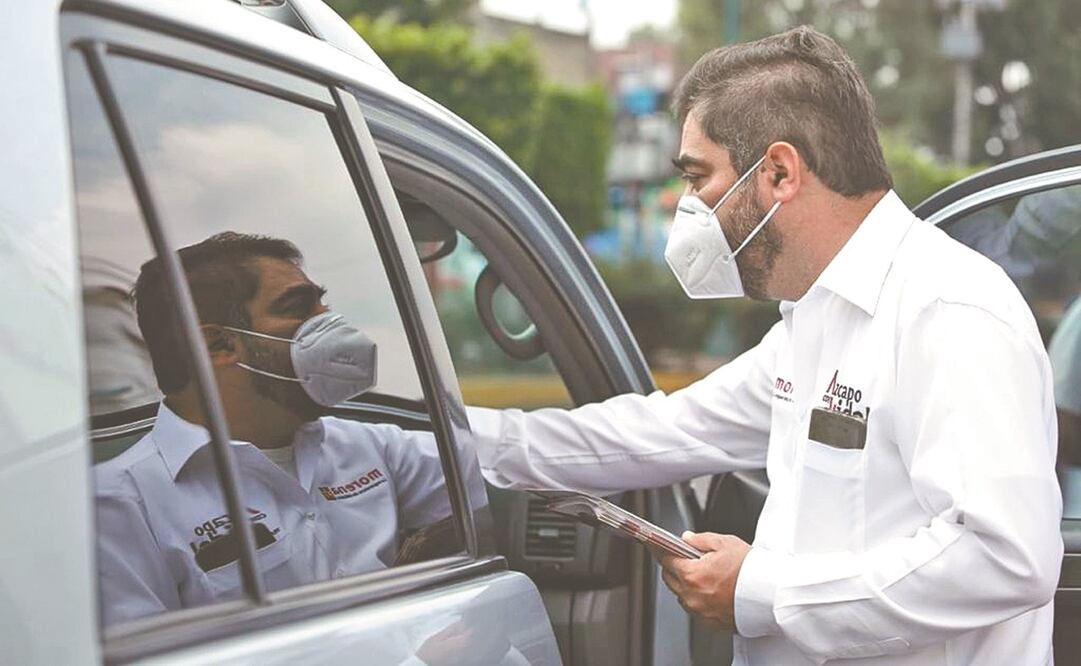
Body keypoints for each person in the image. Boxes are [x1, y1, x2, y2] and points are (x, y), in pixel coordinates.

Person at [467, 26, 1062, 665]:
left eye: (699, 179)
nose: (688, 208)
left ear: (779, 171)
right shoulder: (813, 321)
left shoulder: (947, 308)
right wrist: (442, 442)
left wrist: (761, 591)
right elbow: (660, 432)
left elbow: (1006, 558)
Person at [94, 232, 485, 626]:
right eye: (299, 308)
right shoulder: (121, 506)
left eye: (323, 304)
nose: (331, 325)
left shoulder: (366, 446)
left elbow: (501, 463)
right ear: (217, 344)